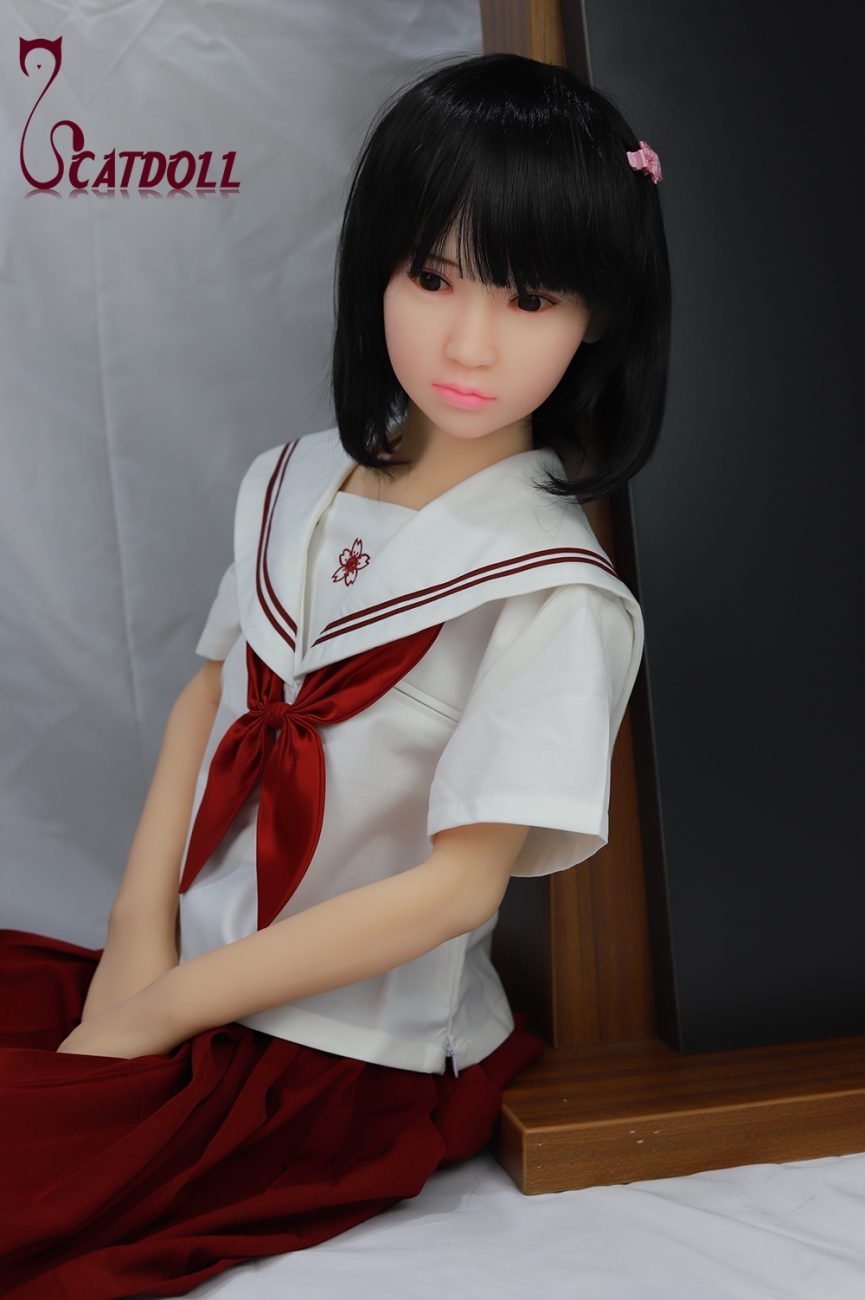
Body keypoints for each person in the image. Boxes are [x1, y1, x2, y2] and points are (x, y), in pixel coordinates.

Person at [0, 51, 671, 1297]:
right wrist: (136, 943)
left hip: (344, 1047)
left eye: (530, 298)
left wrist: (165, 1010)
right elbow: (210, 697)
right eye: (432, 276)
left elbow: (455, 890)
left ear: (597, 318)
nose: (467, 342)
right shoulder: (292, 479)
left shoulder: (550, 591)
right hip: (181, 966)